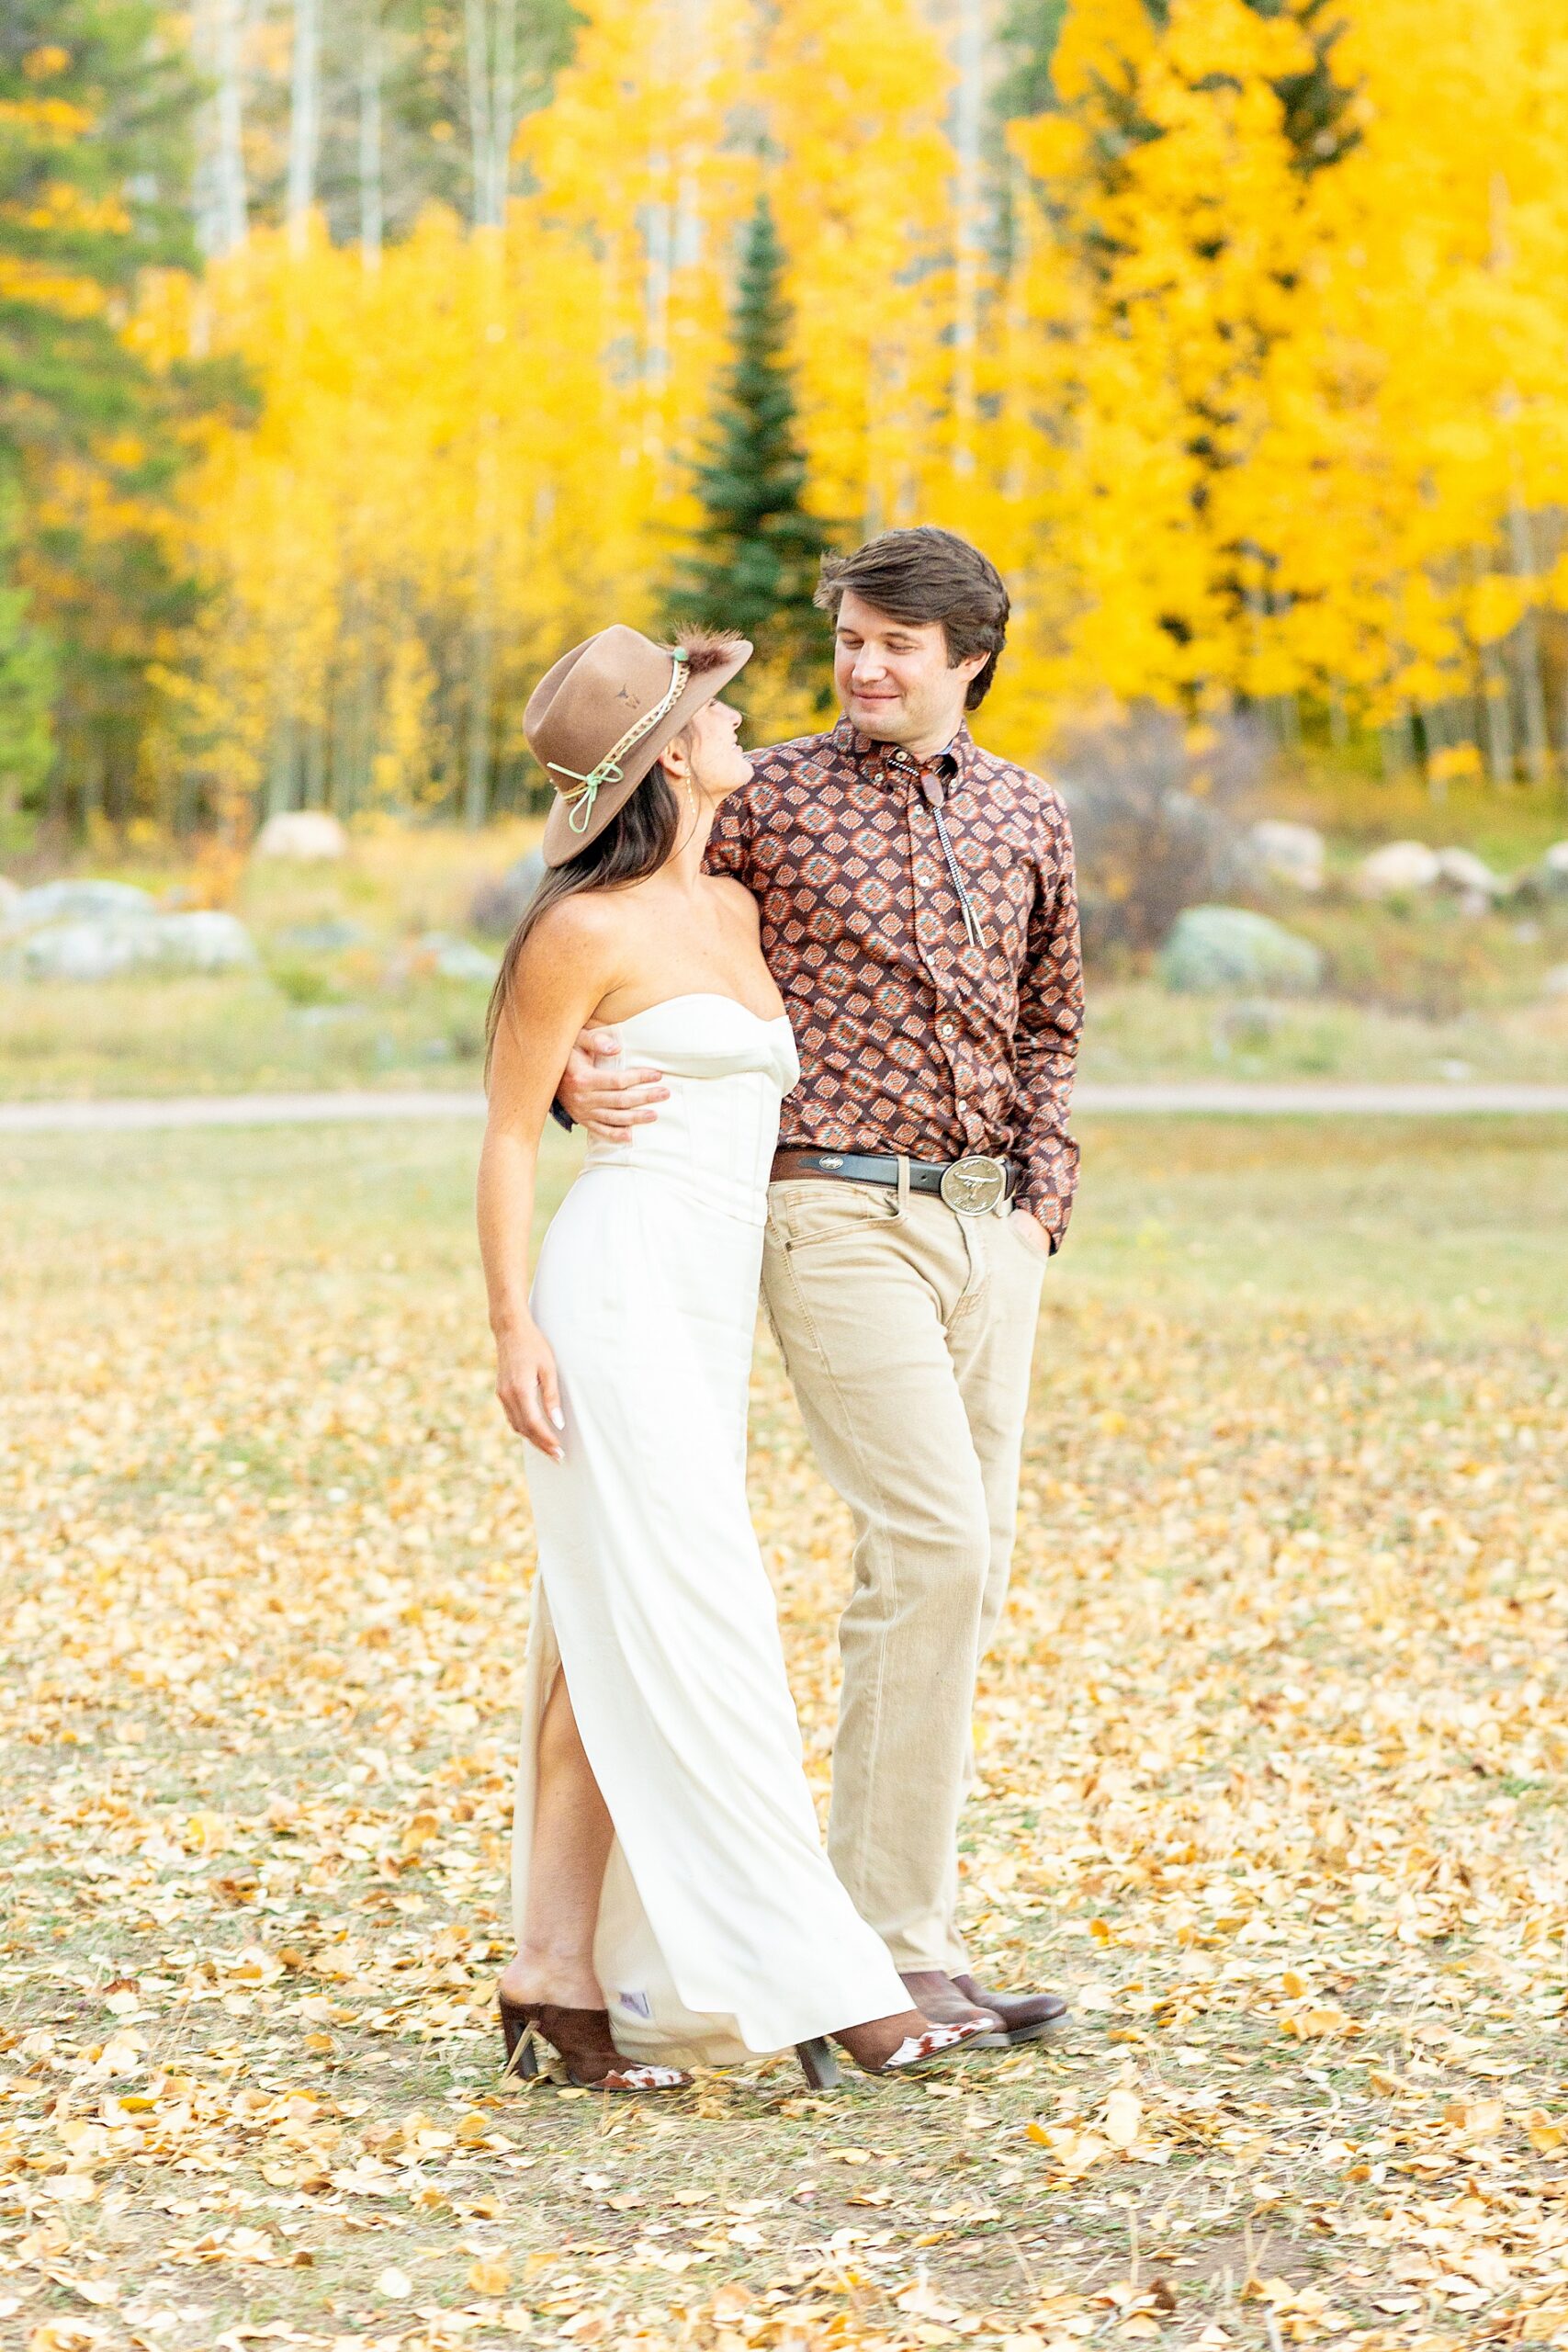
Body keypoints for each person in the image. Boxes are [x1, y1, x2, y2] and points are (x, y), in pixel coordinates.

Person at [557, 529, 1083, 2046]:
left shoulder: (1030, 814)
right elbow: (609, 921)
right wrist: (576, 1072)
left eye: (893, 646)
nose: (860, 668)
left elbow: (1052, 1021)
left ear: (967, 656)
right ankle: (879, 1957)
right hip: (830, 1210)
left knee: (952, 1575)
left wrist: (1042, 1198)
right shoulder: (765, 797)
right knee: (935, 1542)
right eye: (849, 639)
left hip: (993, 1232)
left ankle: (900, 1929)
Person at [477, 621, 996, 2092]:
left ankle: (556, 1981)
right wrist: (512, 1324)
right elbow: (509, 1133)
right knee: (702, 1620)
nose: (741, 722)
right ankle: (818, 1974)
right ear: (666, 760)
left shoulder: (735, 905)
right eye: (714, 713)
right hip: (615, 1293)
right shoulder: (580, 930)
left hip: (708, 1311)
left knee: (603, 1637)